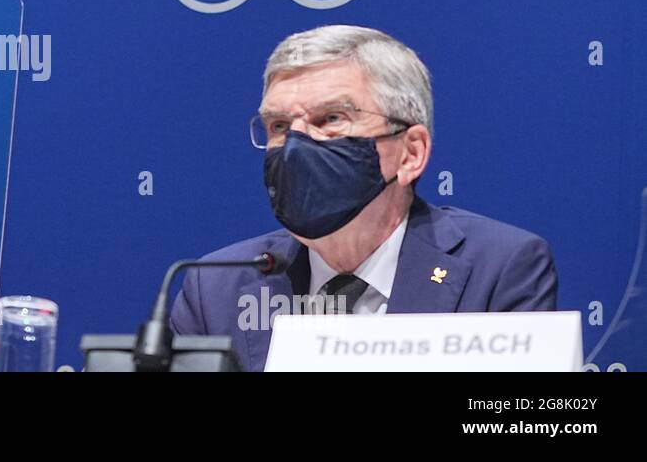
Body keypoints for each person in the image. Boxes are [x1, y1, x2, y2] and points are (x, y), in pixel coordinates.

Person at [170, 25, 558, 372]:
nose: (296, 146)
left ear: (410, 153)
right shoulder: (217, 287)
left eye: (332, 119)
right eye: (279, 126)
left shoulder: (499, 269)